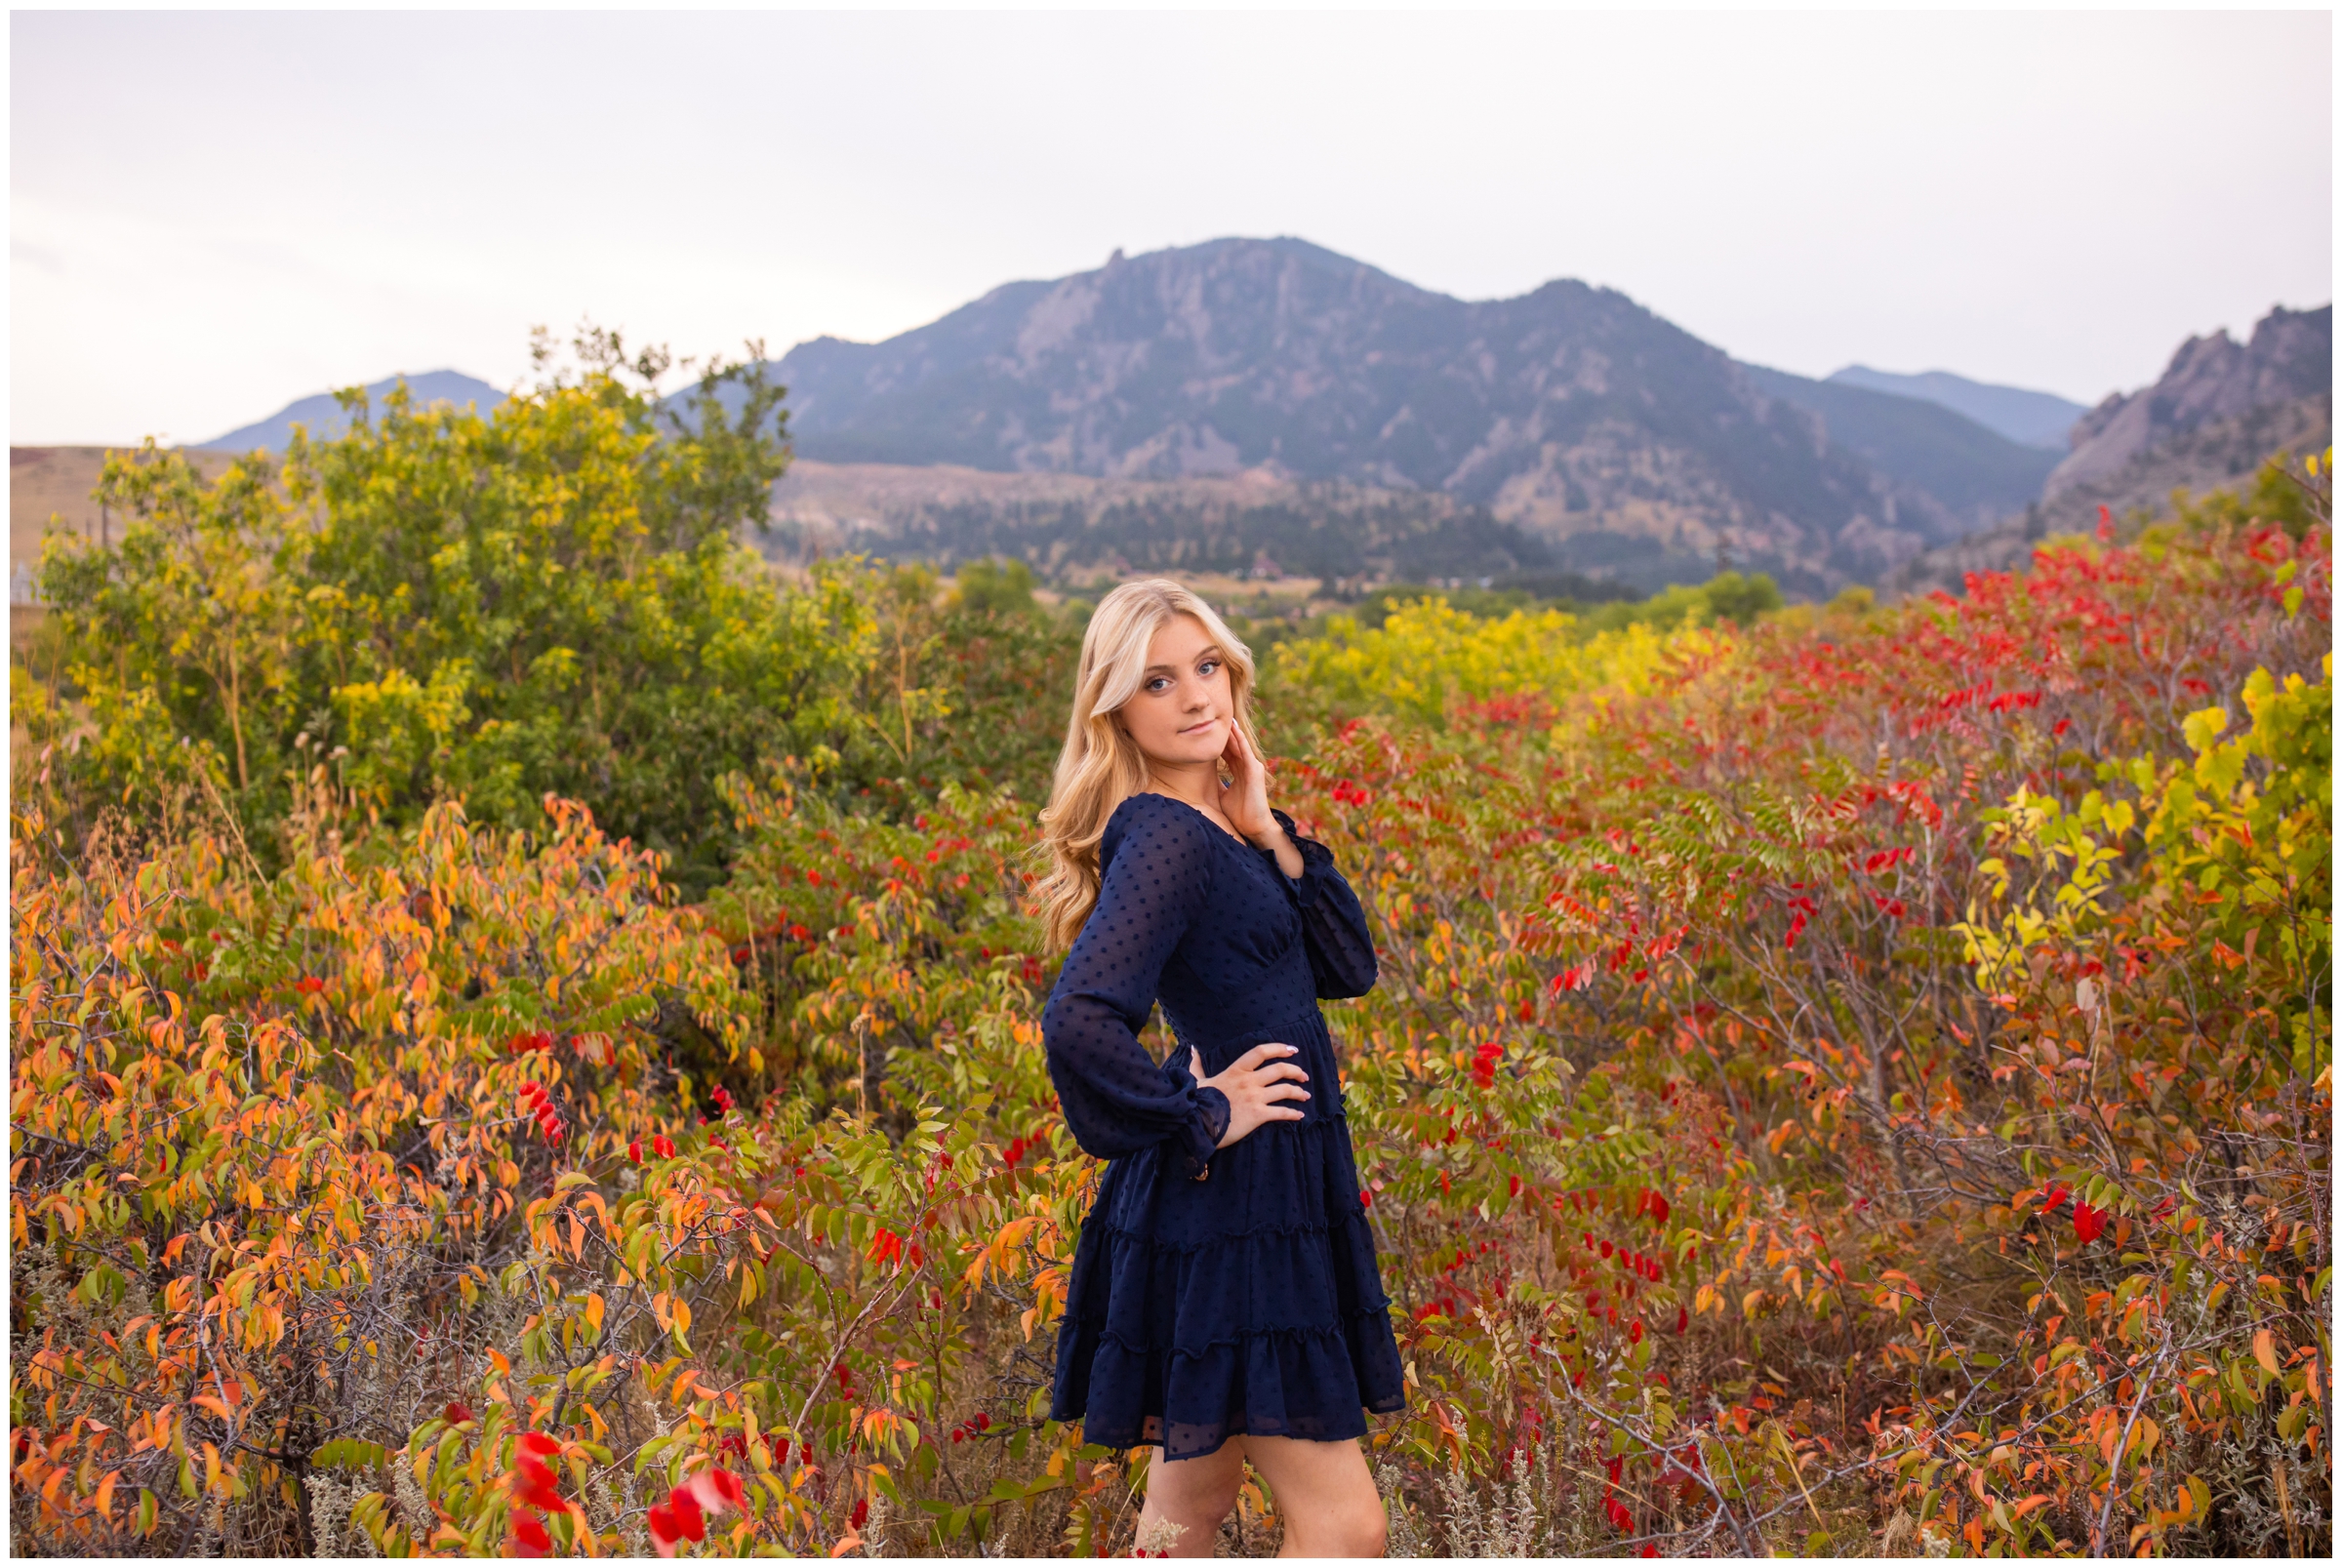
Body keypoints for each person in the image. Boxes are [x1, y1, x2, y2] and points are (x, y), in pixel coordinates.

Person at [1035, 579, 1404, 1558]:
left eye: (1207, 667)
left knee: (1185, 1510)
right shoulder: (1162, 834)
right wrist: (1200, 1109)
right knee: (1344, 1523)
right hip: (1238, 1199)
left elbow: (1347, 967)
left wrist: (1269, 827)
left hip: (1249, 1200)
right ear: (1115, 707)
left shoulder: (1218, 833)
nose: (1196, 696)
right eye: (1158, 680)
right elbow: (1078, 1019)